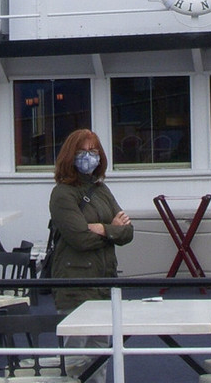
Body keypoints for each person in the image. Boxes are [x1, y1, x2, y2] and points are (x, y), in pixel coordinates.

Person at [49, 129, 133, 383]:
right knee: (76, 358)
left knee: (101, 353)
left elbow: (127, 232)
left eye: (93, 152)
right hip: (74, 284)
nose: (89, 157)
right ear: (70, 156)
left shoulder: (101, 189)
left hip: (104, 281)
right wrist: (112, 230)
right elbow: (79, 238)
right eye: (83, 152)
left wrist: (103, 229)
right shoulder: (62, 194)